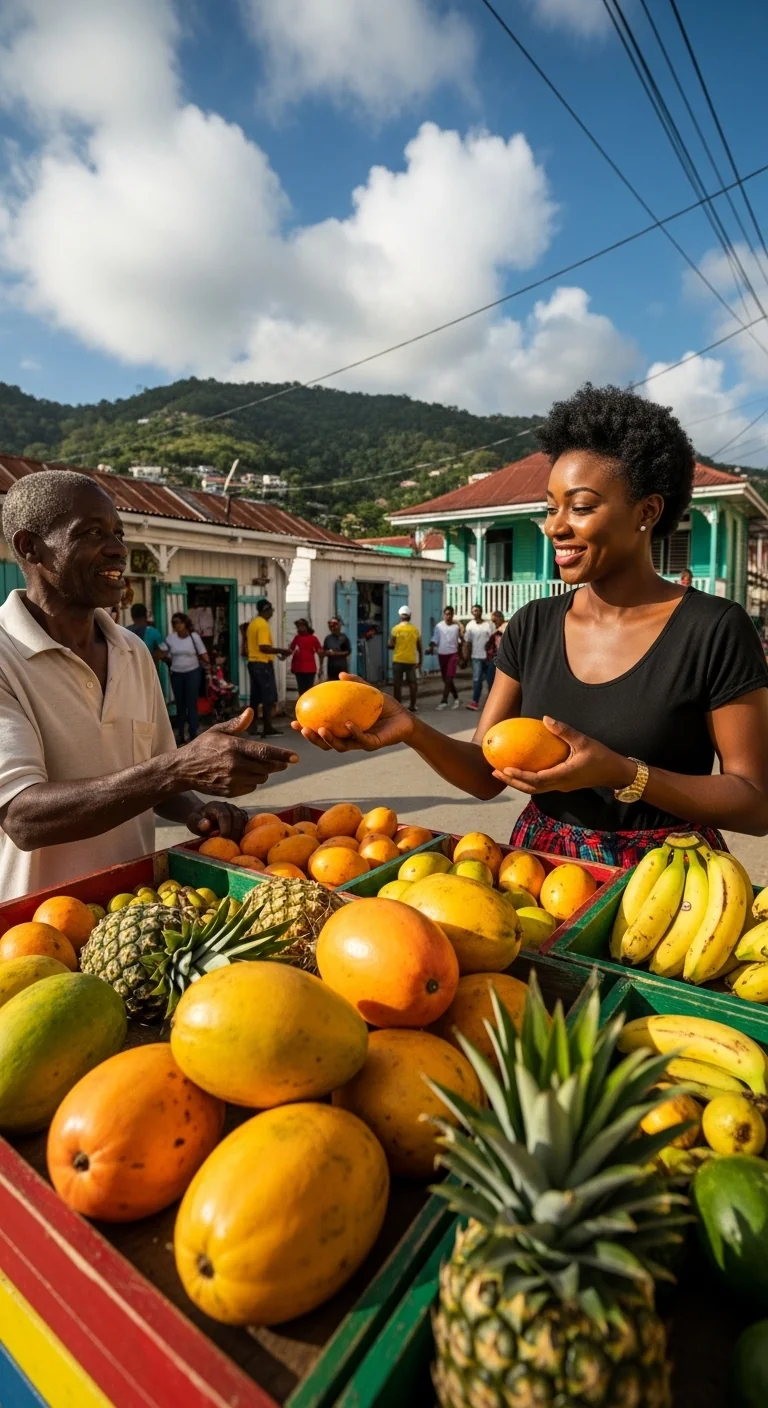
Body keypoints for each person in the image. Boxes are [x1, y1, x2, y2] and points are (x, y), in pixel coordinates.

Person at [292, 383, 768, 867]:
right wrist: (410, 728)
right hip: (539, 872)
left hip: (670, 885)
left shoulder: (714, 630)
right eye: (550, 507)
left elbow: (755, 804)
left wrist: (625, 773)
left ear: (647, 511)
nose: (554, 526)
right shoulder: (533, 625)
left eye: (580, 507)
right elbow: (485, 774)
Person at [0, 470, 297, 899]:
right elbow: (24, 818)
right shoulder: (6, 656)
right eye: (93, 533)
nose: (118, 549)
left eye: (118, 533)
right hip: (38, 930)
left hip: (130, 908)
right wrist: (180, 768)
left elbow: (153, 774)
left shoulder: (133, 651)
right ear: (31, 547)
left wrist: (196, 809)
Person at [246, 598, 289, 737]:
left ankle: (252, 727)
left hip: (253, 663)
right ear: (267, 610)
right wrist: (282, 651)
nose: (272, 613)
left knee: (255, 697)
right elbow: (264, 647)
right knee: (267, 697)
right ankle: (267, 727)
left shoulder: (253, 623)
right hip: (262, 665)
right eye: (271, 610)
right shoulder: (262, 625)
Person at [165, 613, 209, 744]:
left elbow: (203, 654)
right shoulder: (171, 638)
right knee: (180, 705)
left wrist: (210, 664)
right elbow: (161, 652)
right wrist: (169, 662)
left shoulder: (193, 637)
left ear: (185, 623)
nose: (177, 625)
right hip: (177, 674)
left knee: (191, 703)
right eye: (174, 623)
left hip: (192, 673)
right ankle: (180, 734)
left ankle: (193, 733)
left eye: (179, 622)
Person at [428, 605, 463, 710]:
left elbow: (461, 639)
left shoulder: (456, 627)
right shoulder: (439, 626)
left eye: (450, 614)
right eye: (446, 614)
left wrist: (461, 656)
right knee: (445, 679)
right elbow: (435, 639)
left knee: (449, 678)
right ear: (444, 615)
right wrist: (431, 647)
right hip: (442, 654)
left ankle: (444, 700)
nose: (448, 616)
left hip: (453, 654)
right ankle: (456, 697)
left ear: (453, 615)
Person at [388, 604, 422, 713]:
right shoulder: (415, 630)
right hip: (410, 661)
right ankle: (412, 705)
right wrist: (420, 661)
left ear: (400, 616)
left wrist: (391, 645)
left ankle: (398, 706)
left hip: (398, 660)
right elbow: (419, 647)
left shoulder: (395, 629)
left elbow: (391, 644)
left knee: (397, 684)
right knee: (412, 684)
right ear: (410, 616)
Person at [464, 603, 493, 711]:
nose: (475, 613)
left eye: (477, 610)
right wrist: (465, 656)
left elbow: (492, 639)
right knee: (477, 680)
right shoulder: (470, 625)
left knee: (491, 681)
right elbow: (467, 642)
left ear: (481, 611)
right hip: (476, 657)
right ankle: (475, 702)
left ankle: (491, 704)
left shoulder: (488, 625)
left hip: (488, 658)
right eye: (474, 611)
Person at [127, 602, 167, 669]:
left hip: (130, 670)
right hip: (149, 669)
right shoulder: (153, 632)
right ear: (146, 615)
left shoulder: (125, 631)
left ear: (132, 616)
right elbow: (161, 652)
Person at [288, 619, 323, 696]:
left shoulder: (313, 638)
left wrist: (321, 667)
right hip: (299, 669)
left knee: (309, 690)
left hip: (310, 669)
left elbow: (320, 653)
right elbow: (290, 650)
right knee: (301, 689)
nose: (299, 628)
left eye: (300, 626)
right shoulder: (297, 638)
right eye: (297, 627)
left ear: (306, 627)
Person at [485, 610, 506, 694]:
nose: (493, 623)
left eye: (494, 621)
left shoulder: (504, 628)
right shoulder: (496, 630)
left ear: (500, 618)